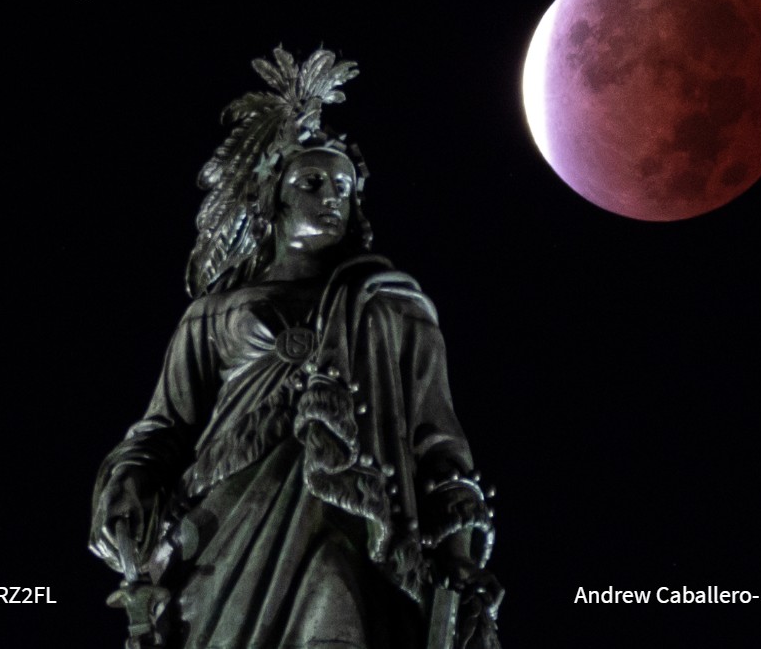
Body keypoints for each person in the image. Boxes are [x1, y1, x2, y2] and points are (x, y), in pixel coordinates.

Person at [89, 47, 502, 649]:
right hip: (223, 530)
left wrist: (459, 552)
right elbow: (165, 427)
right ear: (272, 197)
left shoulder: (390, 305)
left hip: (355, 531)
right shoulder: (211, 315)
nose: (332, 196)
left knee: (337, 607)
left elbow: (438, 438)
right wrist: (127, 484)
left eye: (344, 187)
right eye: (312, 183)